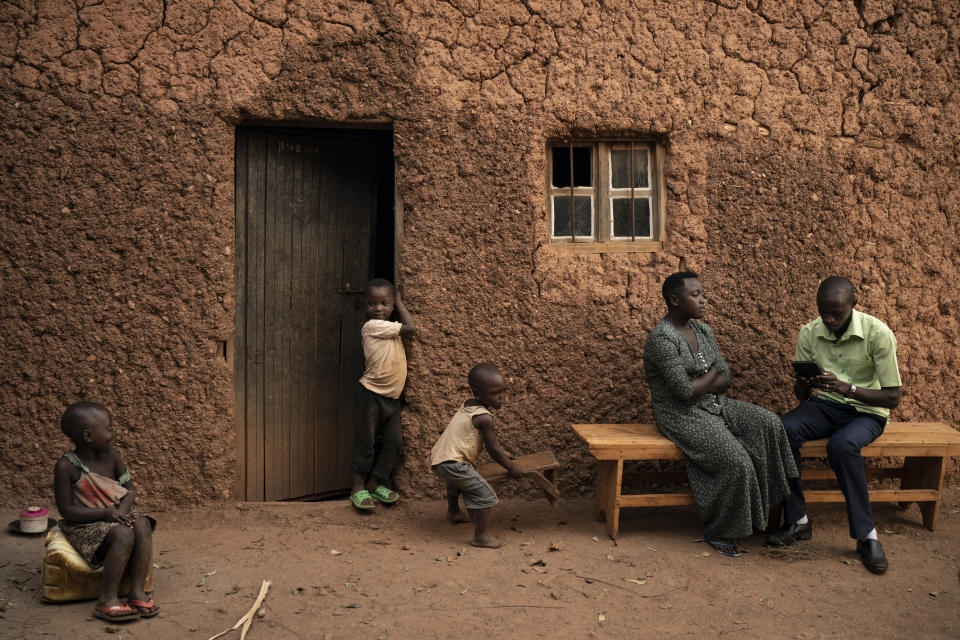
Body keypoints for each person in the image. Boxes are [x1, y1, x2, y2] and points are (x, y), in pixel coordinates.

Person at [643, 272, 798, 557]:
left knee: (770, 423)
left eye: (702, 292)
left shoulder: (703, 331)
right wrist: (710, 375)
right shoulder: (662, 338)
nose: (703, 299)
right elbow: (682, 392)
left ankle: (766, 513)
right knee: (737, 460)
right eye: (696, 294)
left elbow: (726, 377)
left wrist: (705, 380)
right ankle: (718, 530)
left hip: (714, 404)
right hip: (680, 415)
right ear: (675, 300)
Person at [768, 277, 900, 574]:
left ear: (854, 304)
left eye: (836, 313)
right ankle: (797, 520)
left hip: (867, 411)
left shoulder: (877, 333)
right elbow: (802, 398)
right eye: (823, 311)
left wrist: (846, 388)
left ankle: (867, 537)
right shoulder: (810, 332)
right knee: (781, 429)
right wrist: (804, 385)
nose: (828, 319)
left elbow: (892, 398)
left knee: (841, 446)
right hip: (826, 406)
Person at [53, 402, 158, 622]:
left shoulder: (114, 457)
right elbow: (66, 511)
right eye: (109, 428)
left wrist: (121, 510)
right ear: (89, 435)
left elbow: (130, 490)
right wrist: (104, 514)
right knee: (123, 533)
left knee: (143, 524)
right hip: (85, 524)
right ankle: (106, 600)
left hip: (117, 514)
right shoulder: (66, 466)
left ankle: (137, 593)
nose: (113, 433)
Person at [428, 363, 523, 548]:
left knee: (455, 482)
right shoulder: (485, 418)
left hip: (442, 458)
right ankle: (480, 537)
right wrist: (511, 467)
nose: (501, 398)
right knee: (485, 494)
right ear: (479, 394)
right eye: (495, 393)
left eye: (502, 391)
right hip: (453, 462)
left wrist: (504, 454)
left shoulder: (468, 405)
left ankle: (453, 511)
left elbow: (480, 441)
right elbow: (493, 448)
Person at [350, 278, 416, 510]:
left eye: (385, 303)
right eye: (372, 303)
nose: (378, 308)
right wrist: (399, 303)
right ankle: (358, 487)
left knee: (393, 443)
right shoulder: (372, 327)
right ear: (365, 306)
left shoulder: (389, 329)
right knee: (365, 443)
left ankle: (376, 482)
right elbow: (411, 328)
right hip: (371, 395)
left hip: (392, 399)